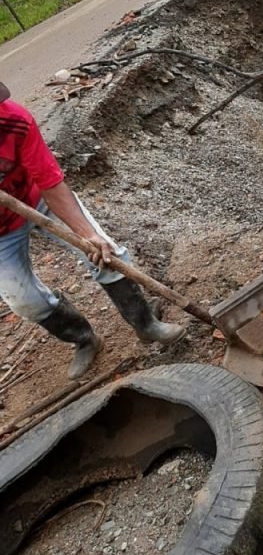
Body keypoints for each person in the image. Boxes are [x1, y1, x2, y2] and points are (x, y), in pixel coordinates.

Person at [0, 82, 183, 379]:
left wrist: (88, 235)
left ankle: (145, 324)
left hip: (38, 198)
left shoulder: (14, 121)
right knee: (25, 302)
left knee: (105, 253)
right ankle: (84, 339)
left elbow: (49, 182)